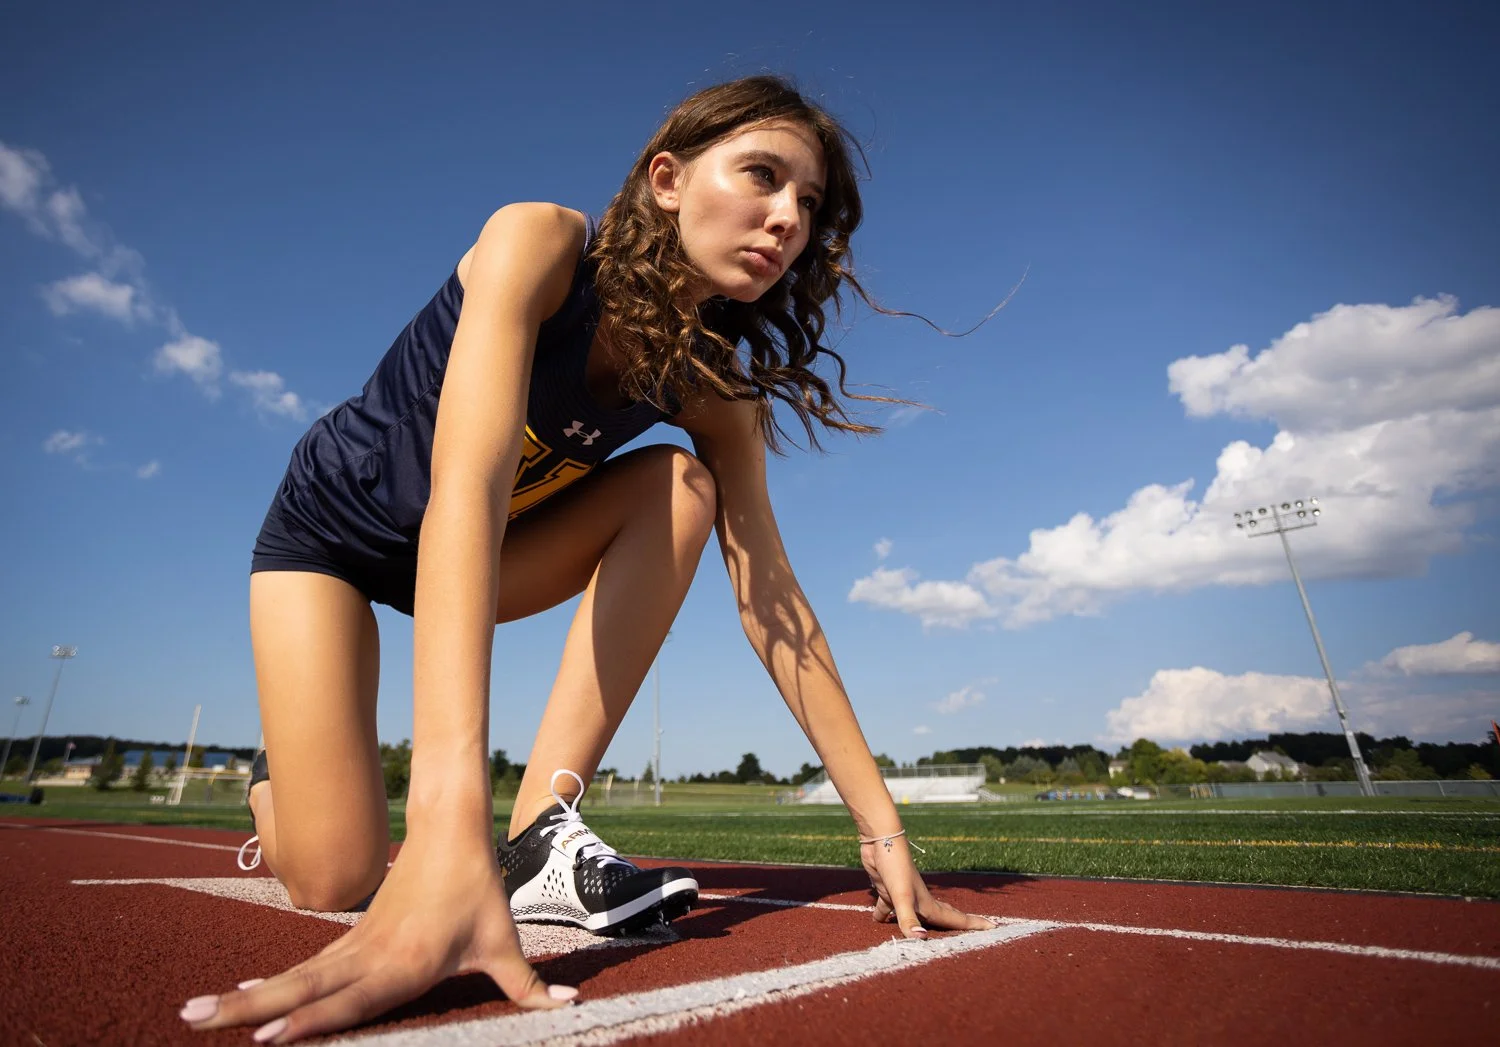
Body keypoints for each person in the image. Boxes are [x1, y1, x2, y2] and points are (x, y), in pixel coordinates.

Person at [180, 75, 995, 1044]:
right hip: (332, 537)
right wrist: (443, 836)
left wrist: (881, 828)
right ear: (667, 180)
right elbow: (469, 491)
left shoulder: (714, 392)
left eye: (808, 205)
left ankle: (535, 840)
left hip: (482, 559)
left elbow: (772, 598)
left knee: (680, 489)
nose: (787, 220)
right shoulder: (538, 246)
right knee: (334, 877)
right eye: (763, 176)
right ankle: (280, 788)